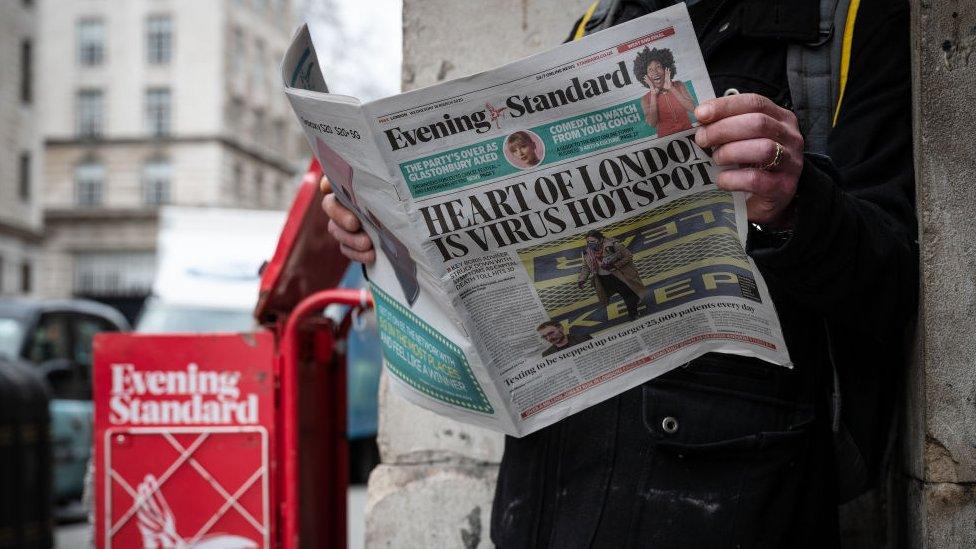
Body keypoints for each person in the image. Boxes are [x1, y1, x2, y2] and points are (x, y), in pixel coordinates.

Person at [321, 0, 917, 545]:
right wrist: (385, 232)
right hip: (545, 499)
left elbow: (898, 283)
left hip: (725, 503)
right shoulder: (596, 27)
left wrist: (797, 201)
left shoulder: (845, 25)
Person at [577, 230, 645, 322]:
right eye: (588, 242)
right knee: (617, 295)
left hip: (619, 276)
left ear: (600, 239)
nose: (590, 244)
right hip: (603, 279)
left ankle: (633, 314)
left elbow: (628, 256)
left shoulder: (614, 245)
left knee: (628, 294)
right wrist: (582, 279)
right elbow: (586, 267)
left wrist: (615, 265)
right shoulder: (587, 252)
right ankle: (635, 300)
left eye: (592, 241)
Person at [634, 46, 697, 137]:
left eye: (658, 67)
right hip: (666, 141)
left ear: (665, 69)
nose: (655, 72)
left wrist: (671, 88)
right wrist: (653, 95)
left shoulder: (678, 85)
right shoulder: (645, 99)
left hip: (689, 133)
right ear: (645, 76)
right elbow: (652, 123)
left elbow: (692, 109)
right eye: (650, 69)